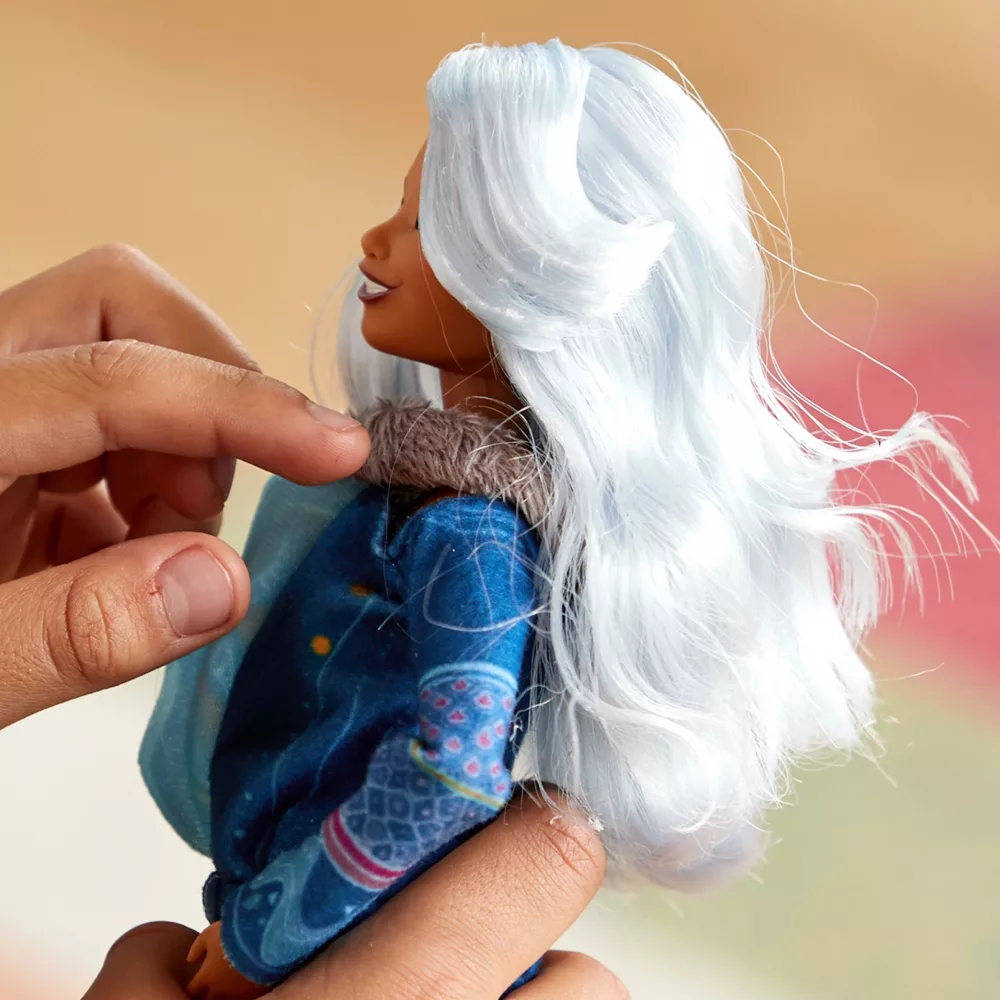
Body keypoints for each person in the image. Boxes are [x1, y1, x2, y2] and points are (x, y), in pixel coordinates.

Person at [0, 246, 622, 999]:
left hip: (345, 924)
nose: (380, 242)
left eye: (427, 225)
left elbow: (456, 770)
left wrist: (265, 936)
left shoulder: (470, 537)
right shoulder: (413, 500)